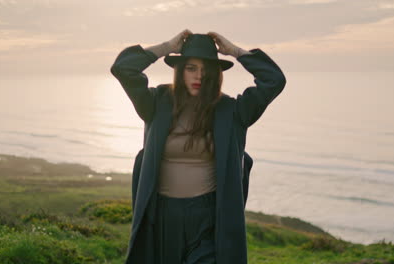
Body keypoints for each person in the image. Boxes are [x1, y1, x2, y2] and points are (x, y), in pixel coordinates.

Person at [110, 30, 286, 264]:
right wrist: (166, 46)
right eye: (191, 68)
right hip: (163, 215)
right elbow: (123, 68)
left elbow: (273, 80)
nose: (199, 76)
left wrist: (235, 51)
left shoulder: (232, 111)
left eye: (206, 69)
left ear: (215, 74)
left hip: (208, 219)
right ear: (179, 70)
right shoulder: (156, 102)